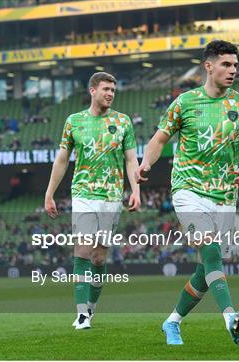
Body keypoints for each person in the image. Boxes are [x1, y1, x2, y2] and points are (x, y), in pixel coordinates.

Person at [136, 40, 239, 346]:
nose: (233, 70)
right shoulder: (185, 103)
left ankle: (172, 321)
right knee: (212, 251)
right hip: (188, 190)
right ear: (209, 66)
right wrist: (145, 162)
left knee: (208, 267)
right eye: (226, 64)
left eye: (235, 65)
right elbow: (159, 138)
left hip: (225, 195)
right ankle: (231, 317)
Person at [44, 72, 141, 330]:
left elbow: (131, 159)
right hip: (83, 194)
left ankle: (91, 308)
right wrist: (49, 193)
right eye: (106, 89)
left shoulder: (123, 122)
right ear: (92, 90)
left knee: (99, 258)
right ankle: (81, 315)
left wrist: (136, 190)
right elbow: (62, 159)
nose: (110, 94)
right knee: (83, 251)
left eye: (113, 90)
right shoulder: (73, 122)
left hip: (111, 197)